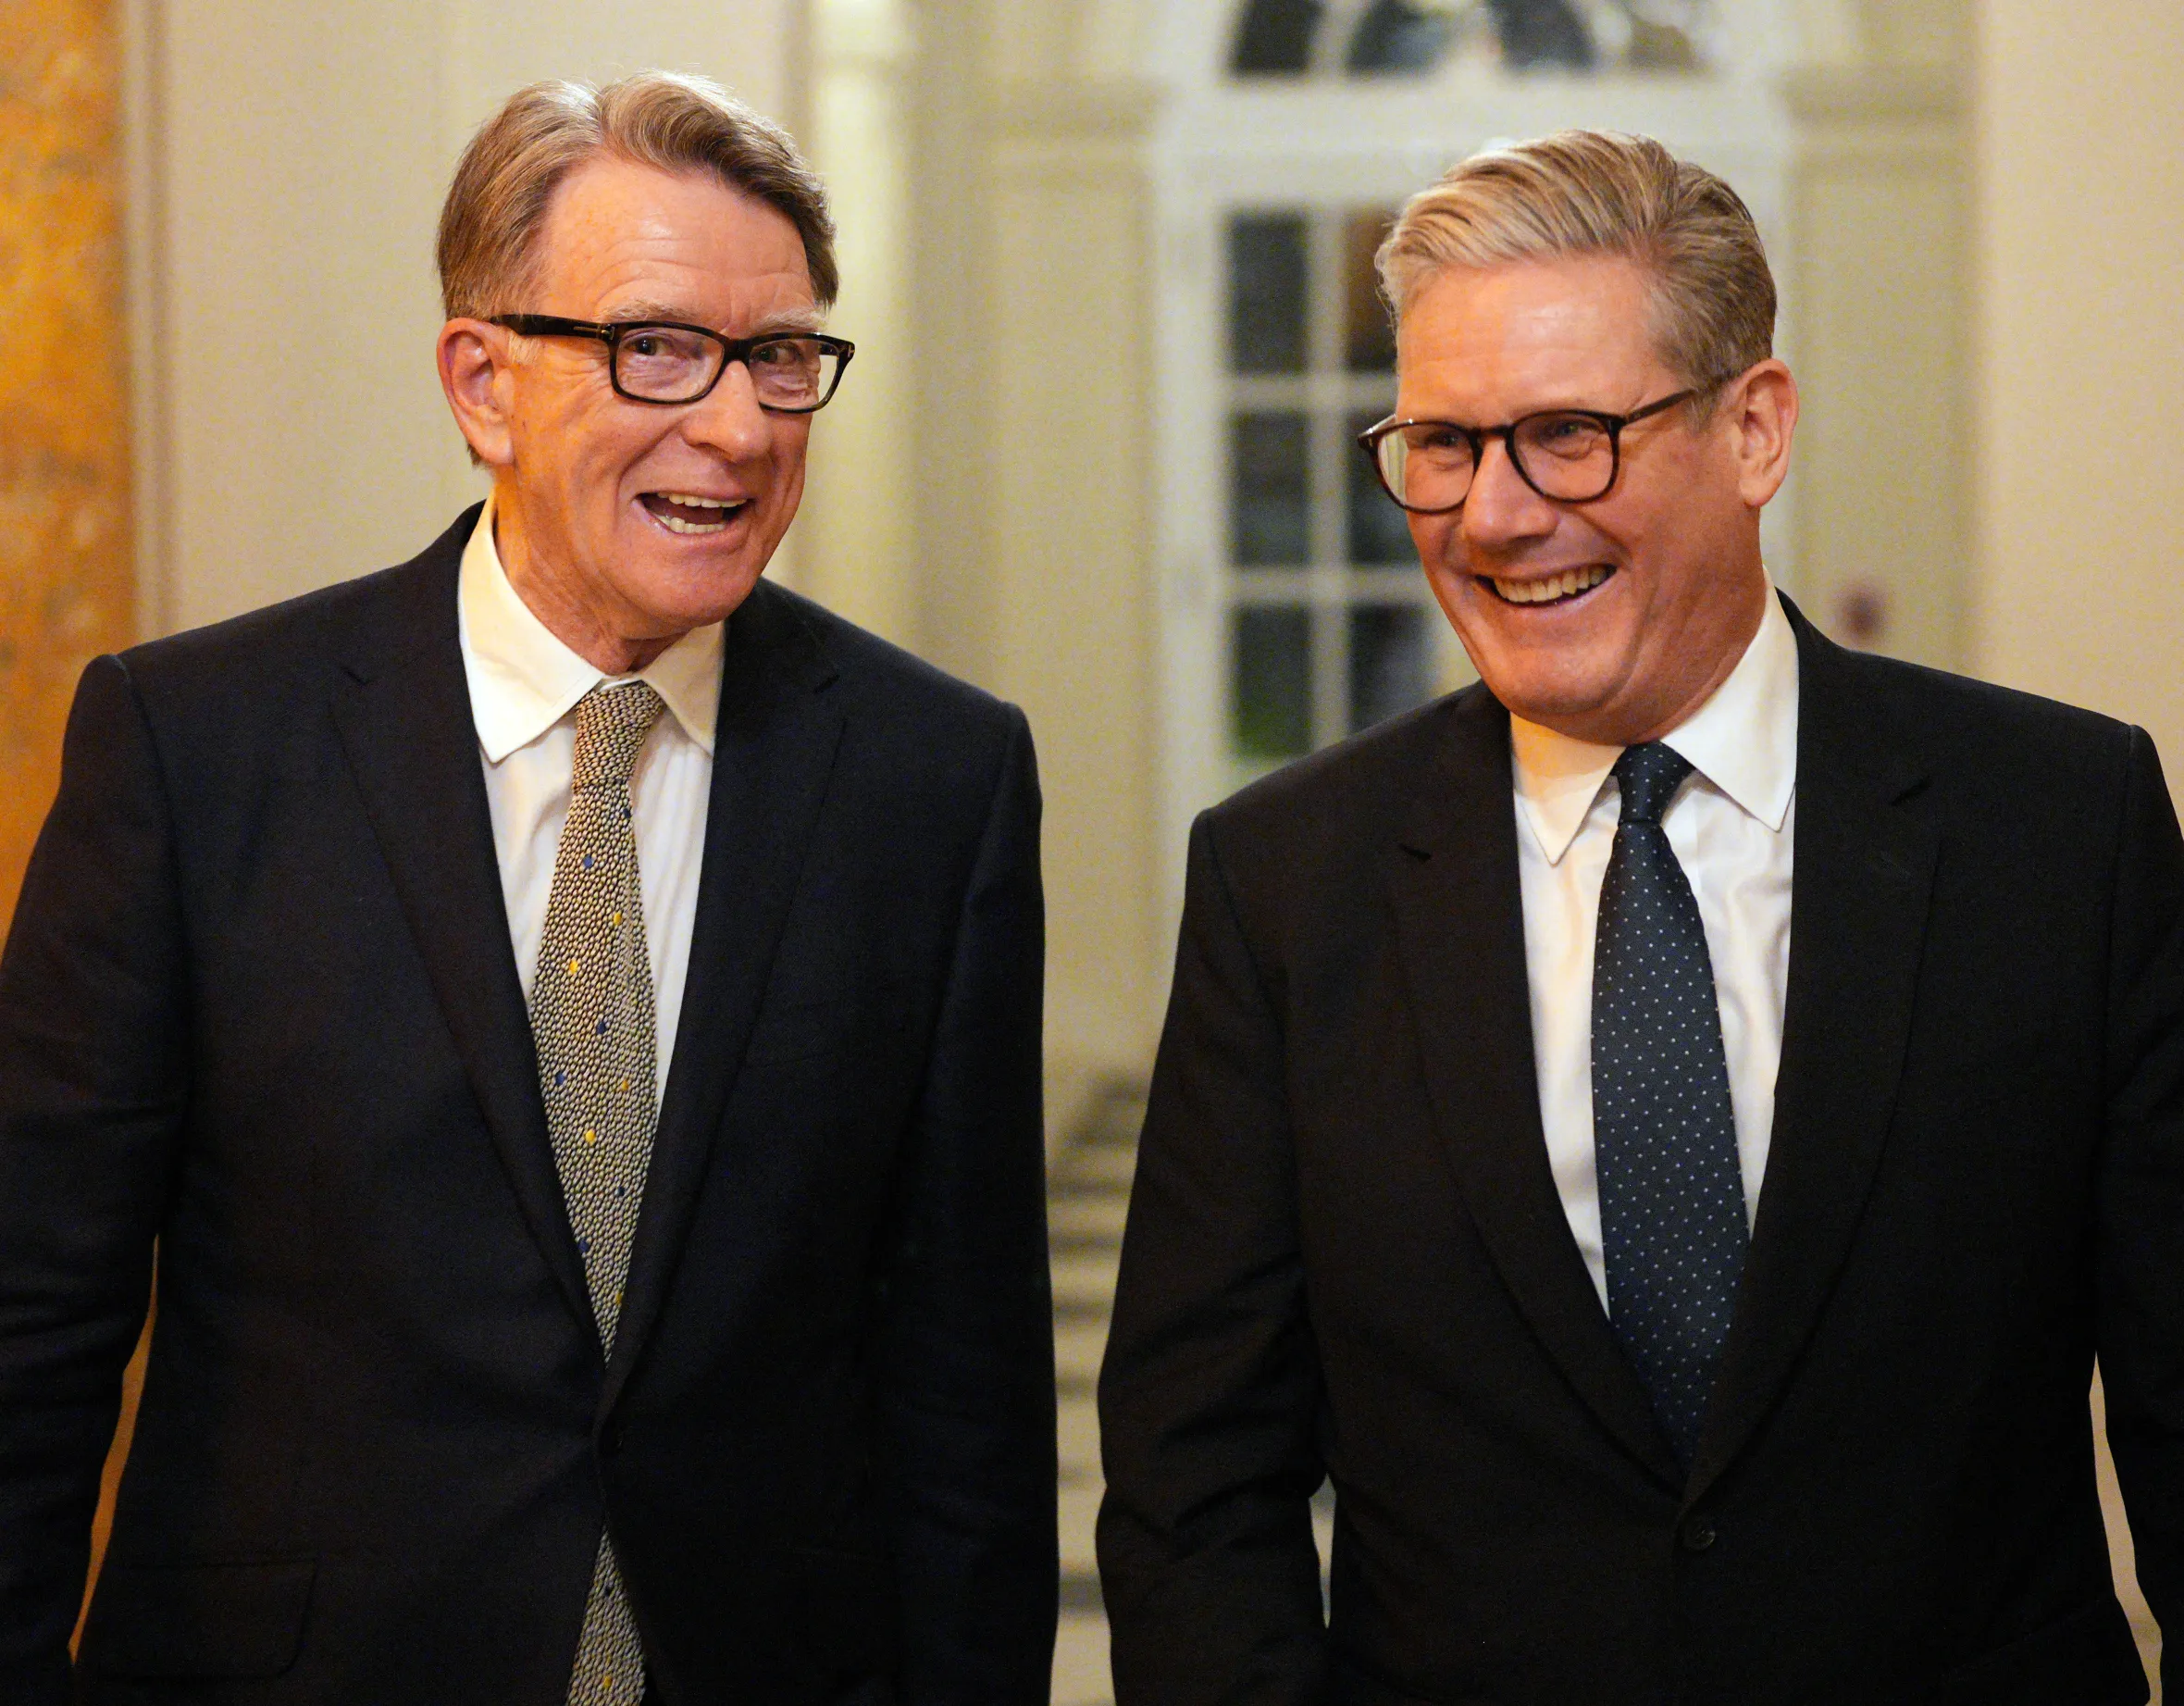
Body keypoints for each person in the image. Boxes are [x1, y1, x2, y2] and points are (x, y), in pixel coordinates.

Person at [0, 72, 1055, 1706]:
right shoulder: (197, 750)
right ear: (482, 382)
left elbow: (967, 1381)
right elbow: (34, 1311)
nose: (737, 424)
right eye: (654, 347)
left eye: (780, 358)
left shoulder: (935, 781)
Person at [1098, 131, 2182, 1704]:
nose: (1497, 515)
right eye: (1445, 445)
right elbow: (1196, 1484)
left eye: (1568, 435)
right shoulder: (1289, 880)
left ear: (1755, 428)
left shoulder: (2059, 829)